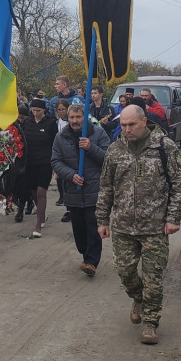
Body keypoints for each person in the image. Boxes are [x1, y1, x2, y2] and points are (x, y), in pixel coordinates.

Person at [96, 105, 181, 345]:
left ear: (144, 121)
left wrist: (173, 218)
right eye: (124, 125)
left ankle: (150, 323)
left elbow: (180, 186)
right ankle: (137, 298)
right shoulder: (115, 150)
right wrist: (102, 220)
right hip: (123, 226)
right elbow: (106, 187)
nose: (127, 130)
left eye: (132, 125)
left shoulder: (164, 147)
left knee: (154, 279)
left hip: (155, 227)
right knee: (125, 272)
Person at [52, 103, 111, 277]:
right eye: (72, 117)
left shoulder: (98, 133)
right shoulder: (61, 137)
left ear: (85, 117)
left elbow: (109, 158)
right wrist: (70, 175)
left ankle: (92, 262)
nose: (75, 121)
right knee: (79, 230)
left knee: (93, 227)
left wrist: (91, 147)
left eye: (79, 117)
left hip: (95, 190)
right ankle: (85, 255)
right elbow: (56, 161)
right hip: (73, 191)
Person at [17, 97, 57, 235]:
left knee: (41, 192)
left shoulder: (51, 123)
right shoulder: (26, 122)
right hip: (30, 162)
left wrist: (55, 162)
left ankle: (38, 224)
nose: (35, 113)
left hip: (45, 162)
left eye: (38, 110)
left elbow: (55, 143)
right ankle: (41, 212)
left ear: (44, 110)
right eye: (33, 110)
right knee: (33, 191)